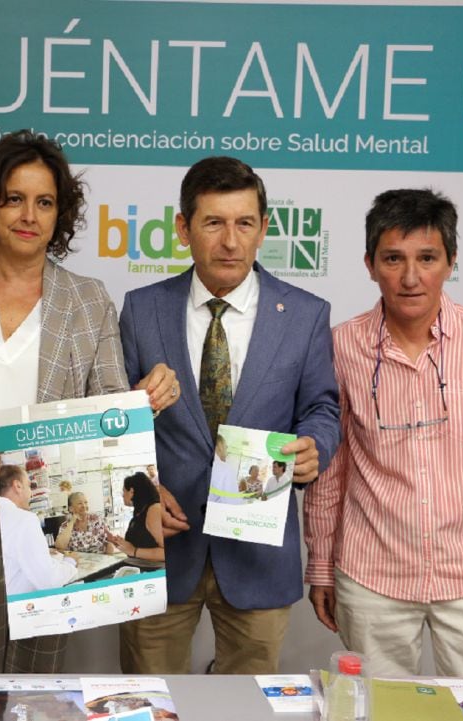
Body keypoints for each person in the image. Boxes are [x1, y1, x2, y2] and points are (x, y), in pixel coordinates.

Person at [0, 129, 179, 673]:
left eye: (44, 202)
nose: (27, 215)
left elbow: (109, 404)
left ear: (61, 214)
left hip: (43, 515)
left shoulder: (88, 299)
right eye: (13, 198)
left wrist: (145, 400)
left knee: (36, 676)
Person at [303, 188, 463, 680]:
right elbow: (333, 470)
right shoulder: (343, 345)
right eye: (394, 258)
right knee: (374, 712)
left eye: (427, 258)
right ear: (371, 264)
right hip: (373, 574)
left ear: (451, 262)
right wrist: (321, 565)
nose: (411, 277)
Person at [118, 155, 341, 675]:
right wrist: (137, 413)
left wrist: (315, 445)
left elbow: (322, 407)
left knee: (247, 706)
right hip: (163, 546)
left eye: (244, 224)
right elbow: (115, 417)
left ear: (264, 228)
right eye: (213, 223)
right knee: (150, 703)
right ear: (183, 228)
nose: (231, 241)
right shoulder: (140, 308)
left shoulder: (306, 314)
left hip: (259, 551)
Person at [0, 465, 77, 595]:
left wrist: (42, 552)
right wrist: (70, 562)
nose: (31, 493)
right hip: (18, 605)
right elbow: (49, 580)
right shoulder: (24, 519)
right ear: (18, 486)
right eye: (29, 486)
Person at [109, 472, 164, 563]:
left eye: (123, 491)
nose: (122, 495)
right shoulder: (141, 511)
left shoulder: (154, 510)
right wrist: (122, 543)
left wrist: (134, 551)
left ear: (131, 491)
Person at [205, 434, 243, 505]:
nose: (226, 453)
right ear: (220, 447)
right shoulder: (225, 469)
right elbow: (232, 502)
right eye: (226, 448)